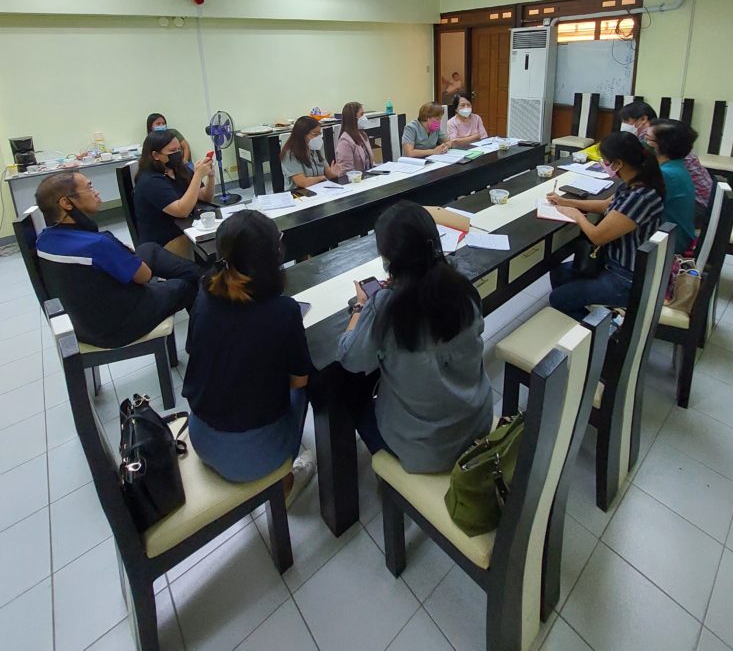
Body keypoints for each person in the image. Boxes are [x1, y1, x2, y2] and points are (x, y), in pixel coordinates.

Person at [337, 201, 493, 473]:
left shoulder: (385, 305)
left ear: (388, 259)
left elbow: (350, 358)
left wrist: (361, 308)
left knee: (349, 395)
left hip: (428, 450)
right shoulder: (462, 288)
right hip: (476, 421)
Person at [182, 211, 316, 502]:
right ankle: (284, 481)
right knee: (308, 386)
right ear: (276, 254)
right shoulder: (283, 311)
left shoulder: (205, 290)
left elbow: (194, 348)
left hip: (200, 437)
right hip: (254, 456)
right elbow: (298, 381)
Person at [34, 171, 201, 348]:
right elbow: (144, 276)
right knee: (187, 286)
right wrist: (121, 252)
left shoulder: (43, 239)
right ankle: (199, 346)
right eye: (89, 187)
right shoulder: (98, 244)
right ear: (66, 203)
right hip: (117, 327)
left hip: (82, 323)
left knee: (147, 248)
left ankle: (199, 274)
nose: (96, 192)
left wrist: (121, 253)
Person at [546, 131, 665, 320]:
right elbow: (605, 205)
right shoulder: (633, 182)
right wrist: (567, 202)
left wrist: (577, 216)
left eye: (606, 162)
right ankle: (574, 314)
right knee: (559, 273)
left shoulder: (639, 197)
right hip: (612, 261)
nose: (604, 166)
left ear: (619, 163)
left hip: (625, 276)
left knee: (558, 299)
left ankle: (604, 334)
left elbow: (597, 236)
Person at [133, 131, 215, 252]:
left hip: (186, 226)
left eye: (178, 150)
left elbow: (205, 197)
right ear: (155, 155)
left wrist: (210, 177)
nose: (177, 154)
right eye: (172, 151)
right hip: (165, 240)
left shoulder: (178, 168)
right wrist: (198, 176)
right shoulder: (150, 181)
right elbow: (182, 211)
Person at [645, 119, 697, 253]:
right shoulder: (675, 166)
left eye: (647, 139)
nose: (644, 143)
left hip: (668, 245)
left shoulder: (666, 174)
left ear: (663, 146)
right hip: (675, 236)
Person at [280, 116, 344, 190]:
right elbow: (302, 182)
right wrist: (321, 178)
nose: (318, 137)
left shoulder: (315, 149)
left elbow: (328, 174)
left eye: (320, 134)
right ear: (302, 134)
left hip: (320, 190)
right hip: (299, 194)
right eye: (315, 134)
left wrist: (335, 173)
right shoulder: (290, 154)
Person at [335, 102, 375, 173]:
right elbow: (346, 171)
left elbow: (370, 162)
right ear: (353, 117)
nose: (364, 117)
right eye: (361, 114)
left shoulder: (363, 134)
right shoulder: (345, 141)